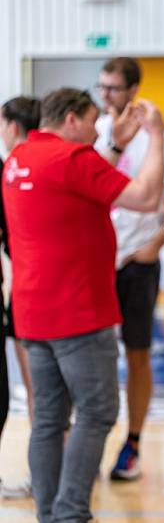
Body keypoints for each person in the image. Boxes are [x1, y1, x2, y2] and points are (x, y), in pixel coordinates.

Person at [3, 87, 164, 522]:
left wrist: (116, 146)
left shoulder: (19, 159)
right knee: (97, 410)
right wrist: (157, 136)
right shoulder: (73, 160)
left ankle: (50, 514)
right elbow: (148, 197)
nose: (98, 132)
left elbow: (77, 182)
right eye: (94, 122)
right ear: (72, 119)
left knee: (49, 419)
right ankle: (71, 512)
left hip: (32, 315)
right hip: (77, 312)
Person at [95, 56, 164, 481]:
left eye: (114, 87)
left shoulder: (158, 137)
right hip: (97, 259)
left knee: (137, 354)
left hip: (137, 259)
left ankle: (132, 442)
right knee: (93, 355)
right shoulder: (97, 131)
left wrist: (154, 246)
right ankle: (88, 440)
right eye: (102, 87)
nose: (106, 95)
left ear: (133, 89)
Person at [0, 96, 40, 499]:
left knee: (35, 389)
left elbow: (13, 238)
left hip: (30, 293)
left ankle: (50, 472)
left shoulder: (12, 170)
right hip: (27, 292)